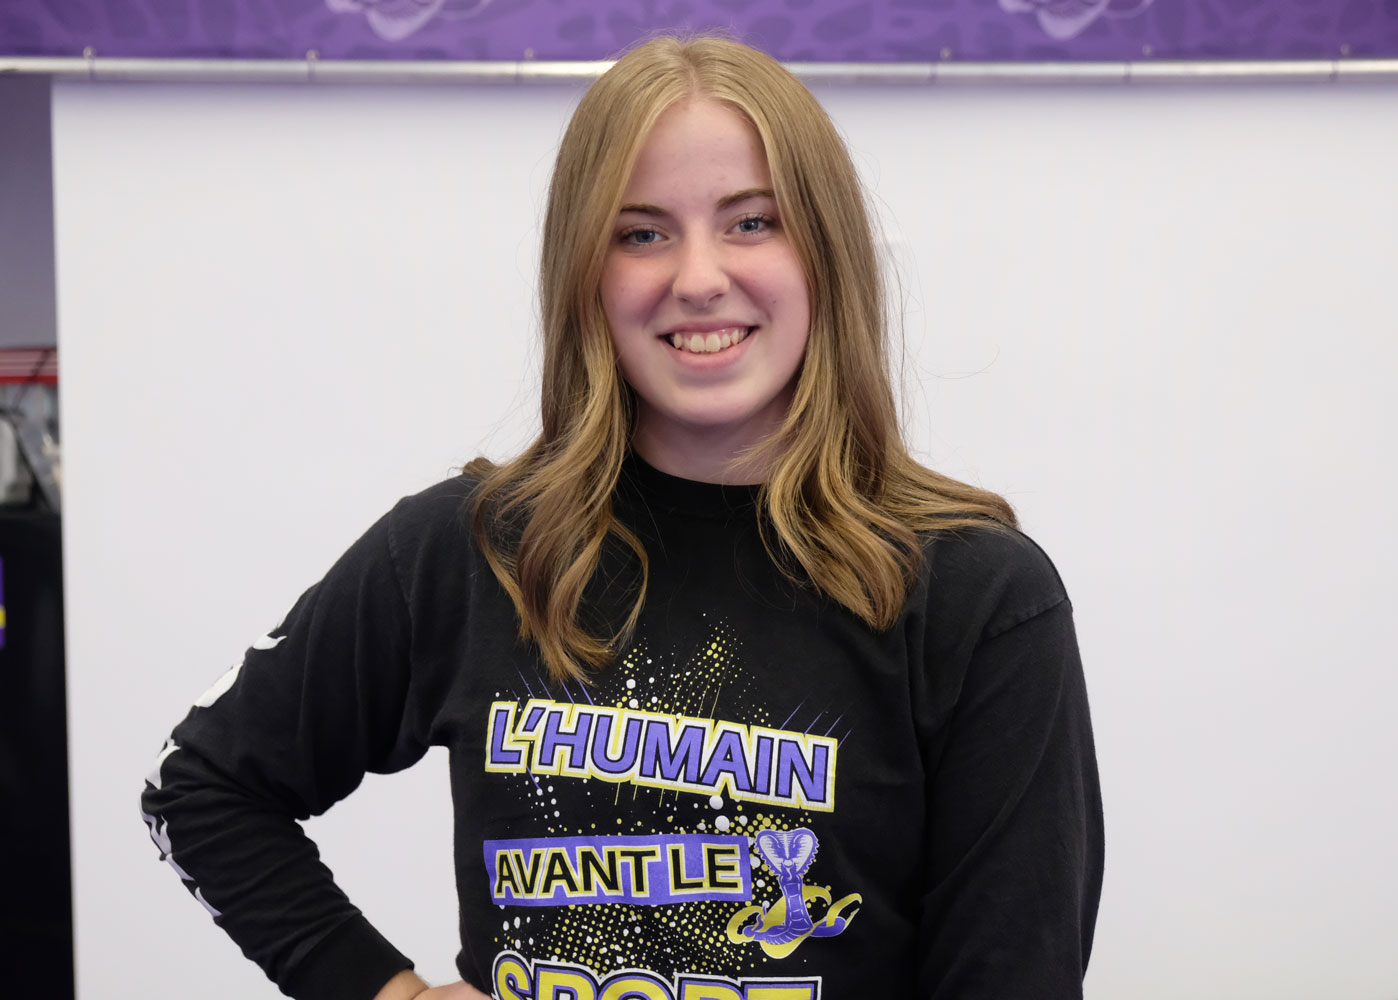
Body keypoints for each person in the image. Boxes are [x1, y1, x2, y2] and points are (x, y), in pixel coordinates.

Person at [142, 33, 1103, 1000]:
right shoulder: (472, 550)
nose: (696, 278)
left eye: (752, 221)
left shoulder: (978, 596)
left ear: (826, 249)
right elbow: (202, 786)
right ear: (585, 276)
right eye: (640, 233)